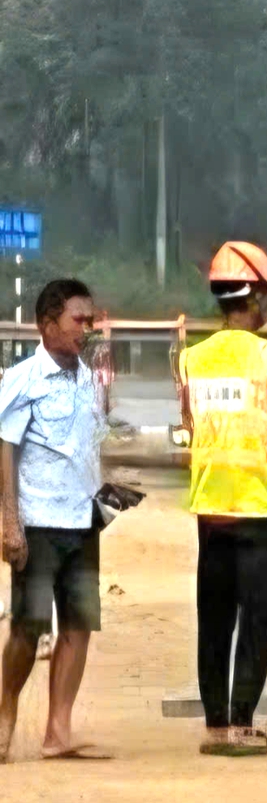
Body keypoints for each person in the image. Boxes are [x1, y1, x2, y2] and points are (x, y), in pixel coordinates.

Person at [179, 242, 267, 757]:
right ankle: (241, 724)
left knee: (214, 620)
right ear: (251, 295)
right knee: (258, 620)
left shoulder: (192, 359)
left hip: (210, 509)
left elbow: (192, 429)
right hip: (261, 508)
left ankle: (215, 727)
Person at [0, 279, 109, 762]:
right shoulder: (22, 380)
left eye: (90, 321)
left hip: (84, 519)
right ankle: (4, 709)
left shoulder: (89, 377)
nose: (86, 330)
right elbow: (6, 450)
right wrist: (9, 521)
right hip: (38, 520)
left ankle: (57, 731)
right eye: (77, 321)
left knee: (79, 623)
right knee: (29, 627)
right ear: (47, 325)